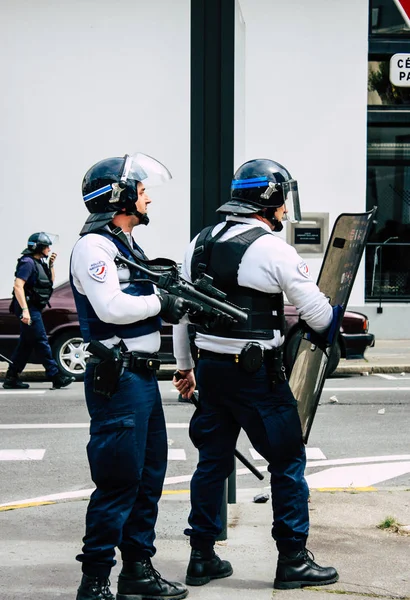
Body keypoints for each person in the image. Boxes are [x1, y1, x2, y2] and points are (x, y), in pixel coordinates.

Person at [172, 158, 339, 590]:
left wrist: (185, 367)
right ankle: (293, 560)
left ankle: (202, 557)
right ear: (272, 199)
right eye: (283, 200)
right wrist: (330, 323)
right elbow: (317, 314)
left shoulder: (199, 242)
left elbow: (182, 314)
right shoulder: (272, 248)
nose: (285, 210)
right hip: (255, 375)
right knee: (287, 461)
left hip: (210, 370)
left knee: (211, 462)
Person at [70, 152, 190, 600]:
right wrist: (163, 302)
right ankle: (95, 581)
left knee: (149, 475)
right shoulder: (93, 247)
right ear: (119, 196)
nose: (148, 200)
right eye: (142, 192)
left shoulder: (123, 244)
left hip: (139, 378)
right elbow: (112, 308)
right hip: (118, 379)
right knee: (119, 480)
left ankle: (137, 570)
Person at [3, 232, 74, 390]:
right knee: (41, 340)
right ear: (38, 247)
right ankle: (55, 376)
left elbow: (49, 282)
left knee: (26, 345)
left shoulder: (39, 263)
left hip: (34, 307)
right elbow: (18, 286)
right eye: (47, 246)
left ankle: (11, 377)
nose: (49, 249)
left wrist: (51, 265)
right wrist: (25, 311)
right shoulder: (27, 262)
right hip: (28, 307)